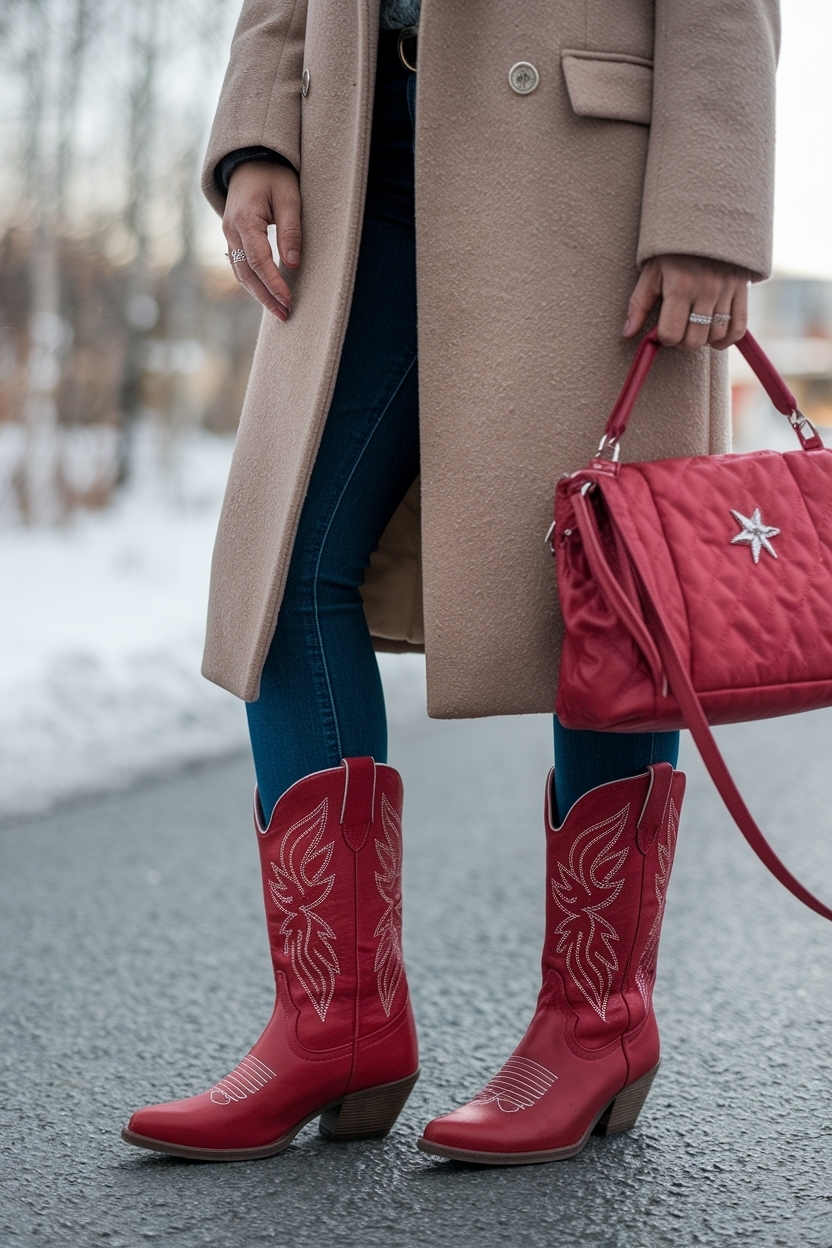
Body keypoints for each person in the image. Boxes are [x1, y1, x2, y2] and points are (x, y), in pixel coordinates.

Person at [122, 0, 778, 1164]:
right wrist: (256, 133)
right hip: (355, 154)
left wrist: (710, 201)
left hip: (584, 166)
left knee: (609, 583)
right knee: (280, 571)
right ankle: (337, 1020)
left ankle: (597, 1021)